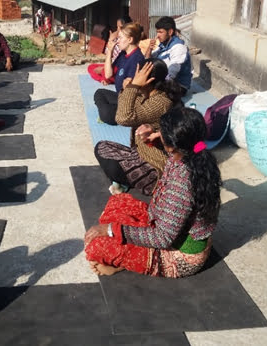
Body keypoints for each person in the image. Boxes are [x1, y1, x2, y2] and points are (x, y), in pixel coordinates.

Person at [84, 107, 222, 278]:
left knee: (96, 246)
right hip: (163, 222)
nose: (158, 132)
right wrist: (156, 140)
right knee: (118, 201)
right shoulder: (195, 153)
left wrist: (112, 230)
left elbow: (162, 239)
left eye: (161, 132)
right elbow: (165, 155)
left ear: (172, 145)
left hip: (178, 255)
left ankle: (122, 263)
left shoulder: (182, 184)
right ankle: (124, 252)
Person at [94, 59, 183, 195]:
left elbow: (123, 118)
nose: (136, 76)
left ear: (148, 79)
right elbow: (125, 107)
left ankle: (143, 183)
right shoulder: (146, 93)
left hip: (154, 165)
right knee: (101, 146)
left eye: (139, 73)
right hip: (138, 153)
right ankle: (126, 178)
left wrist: (133, 86)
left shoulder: (160, 102)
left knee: (113, 167)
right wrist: (130, 88)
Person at [94, 22, 146, 125]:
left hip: (130, 102)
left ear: (130, 40)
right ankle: (114, 111)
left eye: (120, 38)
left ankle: (117, 113)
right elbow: (108, 75)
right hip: (120, 96)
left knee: (107, 114)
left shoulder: (137, 59)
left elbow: (133, 92)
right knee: (99, 93)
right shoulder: (123, 54)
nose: (118, 41)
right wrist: (110, 51)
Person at [144, 16, 192, 96]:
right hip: (164, 81)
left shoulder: (178, 48)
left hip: (178, 86)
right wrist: (149, 49)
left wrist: (154, 86)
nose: (158, 35)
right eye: (157, 32)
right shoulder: (163, 46)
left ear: (170, 32)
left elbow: (171, 74)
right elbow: (147, 61)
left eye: (160, 32)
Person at [87, 17, 132, 85]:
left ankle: (104, 78)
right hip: (113, 65)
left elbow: (118, 68)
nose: (118, 29)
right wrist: (111, 40)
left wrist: (103, 69)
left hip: (117, 71)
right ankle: (103, 78)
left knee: (103, 72)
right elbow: (111, 56)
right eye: (117, 27)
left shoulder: (126, 44)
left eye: (120, 27)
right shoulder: (118, 39)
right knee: (91, 67)